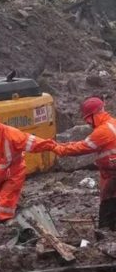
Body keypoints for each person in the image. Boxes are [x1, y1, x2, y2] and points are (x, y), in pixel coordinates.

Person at [51, 97, 116, 231]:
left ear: (93, 115)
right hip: (110, 172)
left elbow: (81, 148)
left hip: (113, 174)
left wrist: (57, 148)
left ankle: (106, 233)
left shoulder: (102, 131)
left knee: (108, 204)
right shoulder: (112, 124)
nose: (88, 124)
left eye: (88, 120)